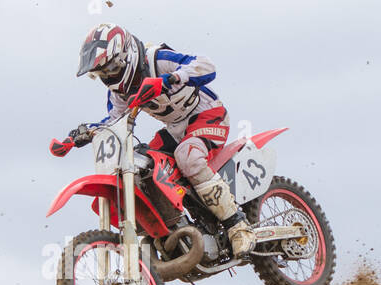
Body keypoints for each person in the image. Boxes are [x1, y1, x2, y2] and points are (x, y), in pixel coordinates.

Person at [59, 23, 256, 255]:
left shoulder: (157, 59)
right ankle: (173, 229)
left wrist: (170, 78)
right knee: (145, 167)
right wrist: (80, 135)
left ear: (126, 55)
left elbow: (207, 66)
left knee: (188, 155)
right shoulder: (119, 91)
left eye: (110, 67)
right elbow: (113, 121)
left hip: (208, 115)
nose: (109, 75)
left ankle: (238, 225)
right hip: (175, 130)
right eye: (103, 72)